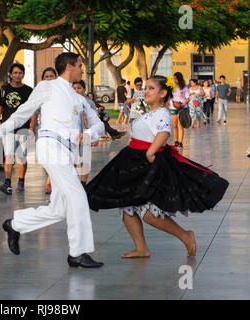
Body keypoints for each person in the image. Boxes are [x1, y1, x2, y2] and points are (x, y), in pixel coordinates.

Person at [86, 75, 229, 259]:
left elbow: (164, 132)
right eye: (146, 88)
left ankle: (186, 236)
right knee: (126, 206)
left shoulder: (162, 112)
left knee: (148, 212)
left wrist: (150, 152)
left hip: (147, 163)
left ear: (162, 93)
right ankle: (141, 248)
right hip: (132, 161)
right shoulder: (149, 112)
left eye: (151, 88)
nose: (146, 91)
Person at [0, 52, 105, 268]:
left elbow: (99, 124)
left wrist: (90, 133)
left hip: (67, 153)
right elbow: (21, 114)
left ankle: (15, 225)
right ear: (69, 66)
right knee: (78, 196)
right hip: (51, 147)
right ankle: (78, 254)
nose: (82, 69)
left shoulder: (81, 98)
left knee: (59, 210)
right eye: (80, 65)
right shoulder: (47, 87)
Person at [0, 63, 36, 194]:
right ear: (11, 75)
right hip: (8, 127)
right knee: (9, 156)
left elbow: (33, 110)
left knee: (21, 157)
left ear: (23, 74)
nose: (18, 75)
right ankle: (7, 182)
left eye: (20, 73)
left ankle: (21, 181)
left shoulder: (28, 90)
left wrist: (32, 127)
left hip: (23, 128)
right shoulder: (4, 89)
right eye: (15, 73)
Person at [40, 67, 58, 194]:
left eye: (52, 76)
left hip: (58, 130)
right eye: (46, 76)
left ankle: (49, 181)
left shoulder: (60, 92)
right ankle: (51, 178)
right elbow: (34, 110)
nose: (49, 78)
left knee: (55, 158)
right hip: (43, 130)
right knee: (45, 159)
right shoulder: (39, 93)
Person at [169, 72, 189, 148]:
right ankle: (176, 141)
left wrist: (184, 104)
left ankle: (180, 142)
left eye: (176, 78)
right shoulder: (171, 87)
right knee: (174, 125)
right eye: (174, 78)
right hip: (173, 107)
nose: (175, 80)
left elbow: (187, 98)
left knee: (180, 125)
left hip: (182, 107)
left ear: (179, 79)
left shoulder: (184, 87)